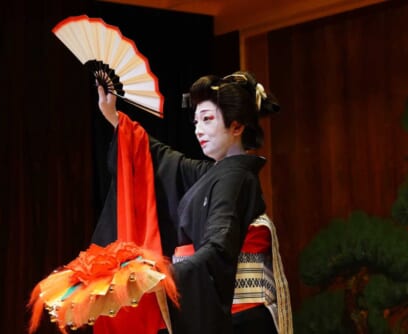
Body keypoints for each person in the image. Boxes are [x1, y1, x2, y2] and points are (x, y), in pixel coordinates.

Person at [95, 70, 293, 334]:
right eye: (196, 121)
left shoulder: (235, 177)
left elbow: (218, 248)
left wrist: (164, 276)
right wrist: (114, 116)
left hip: (240, 318)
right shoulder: (216, 173)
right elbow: (161, 158)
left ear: (236, 126)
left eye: (208, 119)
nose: (199, 130)